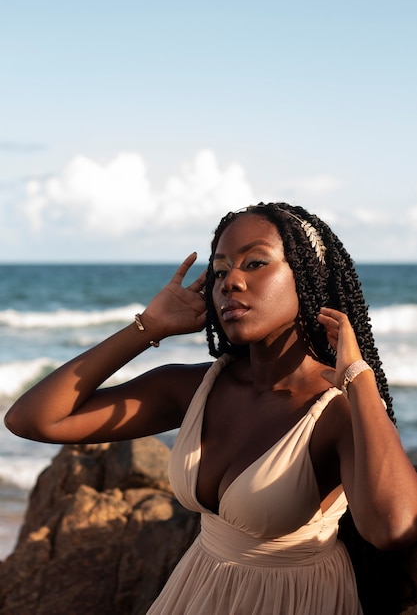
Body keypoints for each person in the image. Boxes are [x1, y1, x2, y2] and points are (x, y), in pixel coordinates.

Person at [5, 202, 417, 615]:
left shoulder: (335, 409)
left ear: (308, 277)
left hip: (295, 600)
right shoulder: (195, 387)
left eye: (255, 263)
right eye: (220, 270)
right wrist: (148, 326)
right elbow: (33, 419)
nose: (231, 282)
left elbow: (393, 528)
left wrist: (359, 379)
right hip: (195, 592)